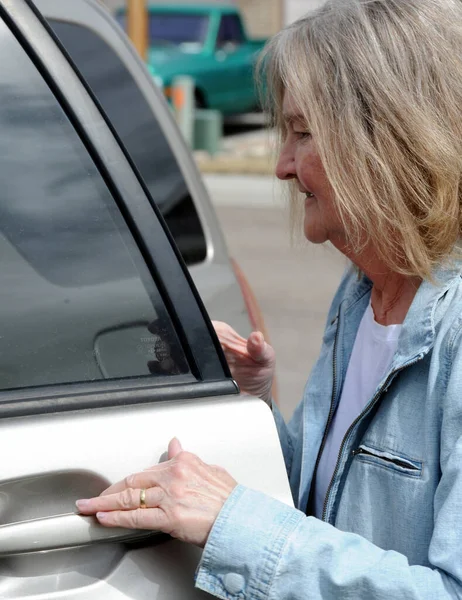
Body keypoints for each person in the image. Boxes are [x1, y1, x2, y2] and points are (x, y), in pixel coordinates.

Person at [76, 0, 462, 597]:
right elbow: (323, 509)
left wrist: (232, 523)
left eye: (304, 133)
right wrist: (251, 405)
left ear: (388, 139)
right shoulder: (364, 290)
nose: (282, 165)